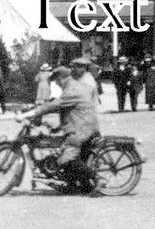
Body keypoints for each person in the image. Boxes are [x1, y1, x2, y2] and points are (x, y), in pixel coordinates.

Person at [15, 58, 100, 194]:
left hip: (82, 129)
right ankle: (81, 186)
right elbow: (66, 110)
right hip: (81, 125)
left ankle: (99, 181)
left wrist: (28, 114)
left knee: (65, 159)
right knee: (63, 149)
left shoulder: (71, 89)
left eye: (55, 81)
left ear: (60, 79)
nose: (55, 84)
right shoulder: (73, 86)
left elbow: (54, 105)